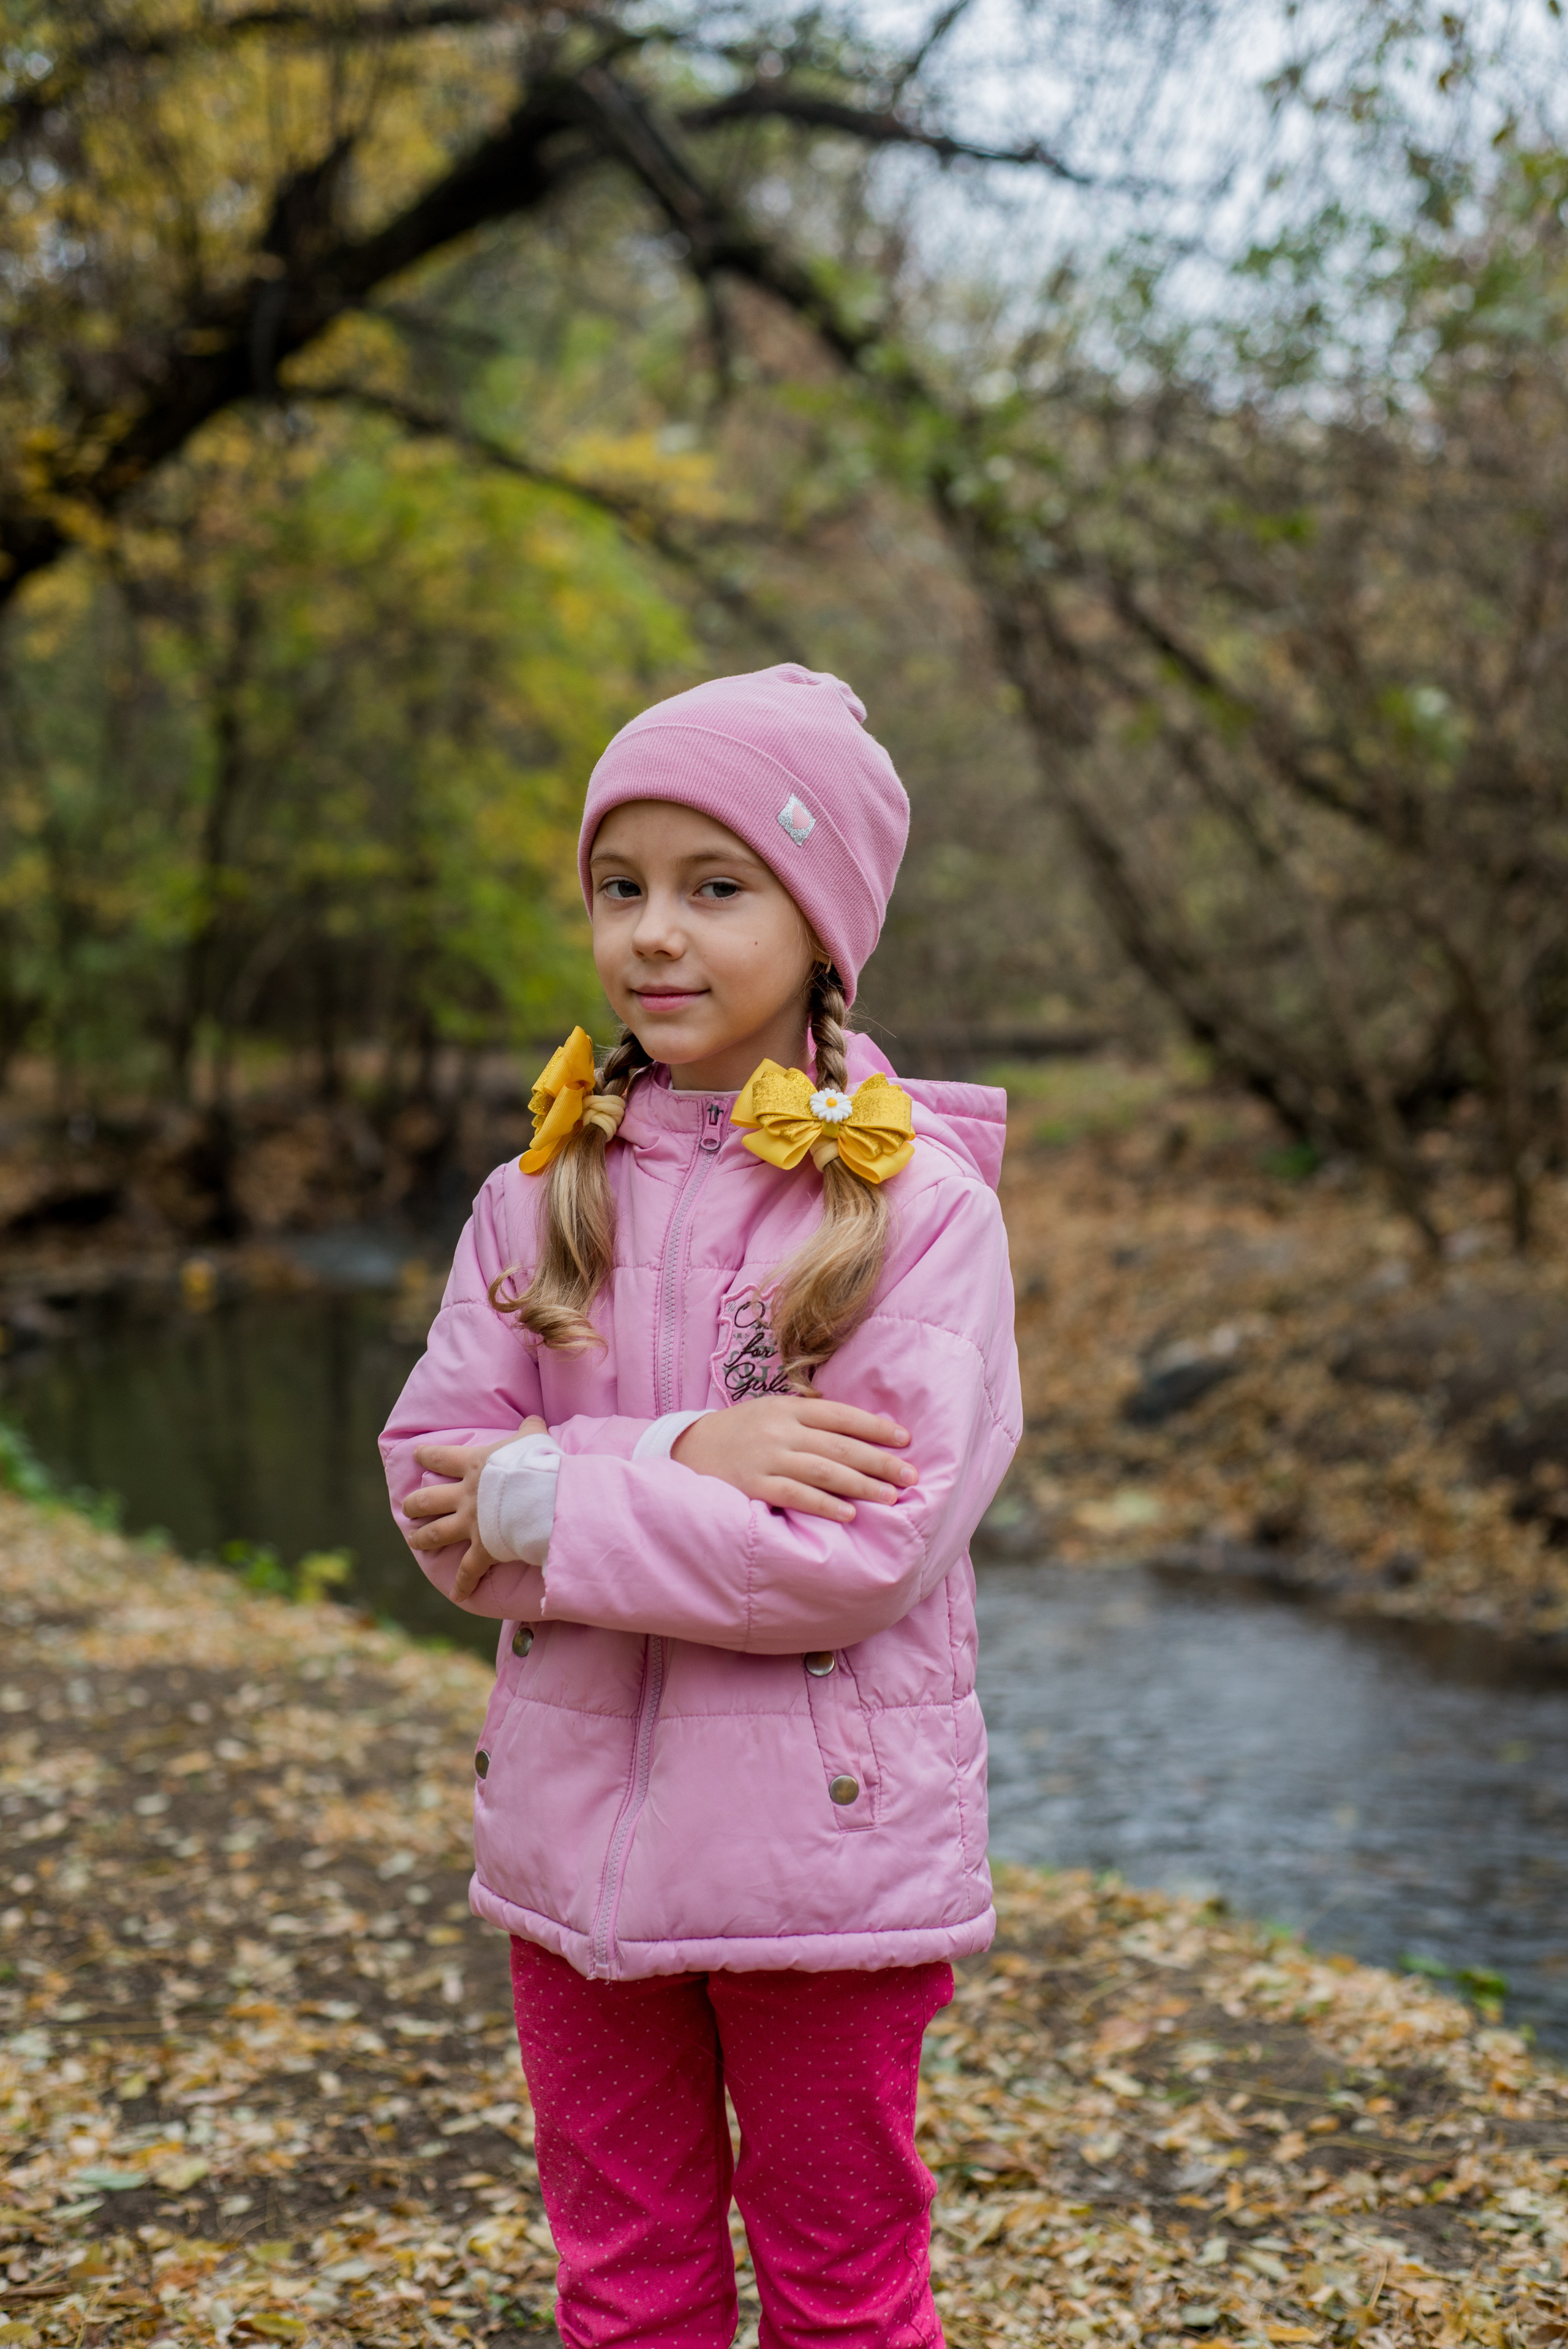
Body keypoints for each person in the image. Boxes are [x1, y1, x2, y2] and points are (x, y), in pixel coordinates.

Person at [380, 664, 1021, 2349]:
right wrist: (682, 1453)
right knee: (623, 2286)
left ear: (824, 927)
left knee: (842, 2286)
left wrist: (548, 1494)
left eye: (716, 886)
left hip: (825, 1870)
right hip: (572, 1853)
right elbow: (438, 1492)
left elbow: (855, 1553)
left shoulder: (915, 1211)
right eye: (621, 886)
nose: (653, 934)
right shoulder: (538, 1193)